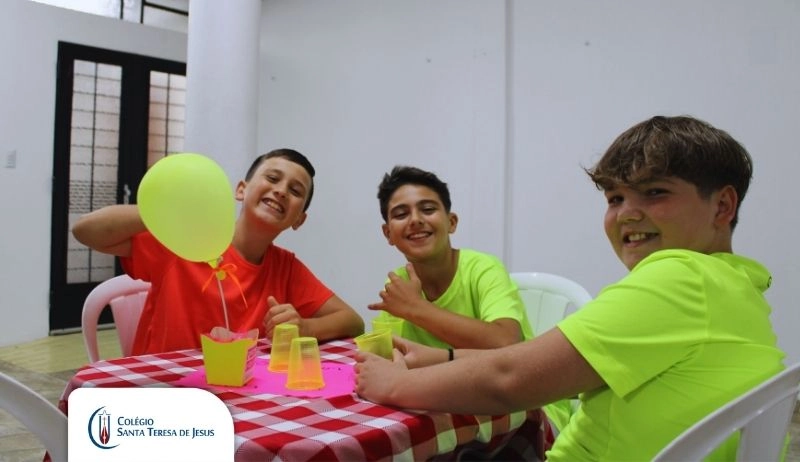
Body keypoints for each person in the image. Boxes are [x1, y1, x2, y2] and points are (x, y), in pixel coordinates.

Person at [355, 116, 786, 460]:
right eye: (615, 198)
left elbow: (510, 376)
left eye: (655, 192)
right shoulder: (734, 284)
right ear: (387, 233)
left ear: (722, 205)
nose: (627, 214)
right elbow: (545, 361)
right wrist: (442, 357)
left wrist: (392, 385)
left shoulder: (680, 278)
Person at [72, 148, 364, 355]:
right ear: (241, 190)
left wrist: (304, 327)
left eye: (295, 191)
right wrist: (165, 213)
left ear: (299, 220)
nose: (281, 191)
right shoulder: (187, 240)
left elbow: (353, 321)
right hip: (166, 392)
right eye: (272, 178)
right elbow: (85, 230)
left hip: (238, 396)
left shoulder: (285, 267)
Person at [371, 165, 533, 349]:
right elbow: (389, 351)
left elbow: (506, 341)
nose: (415, 220)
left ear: (451, 222)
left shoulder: (483, 269)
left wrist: (416, 307)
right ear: (388, 234)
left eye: (428, 209)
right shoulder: (399, 284)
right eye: (401, 214)